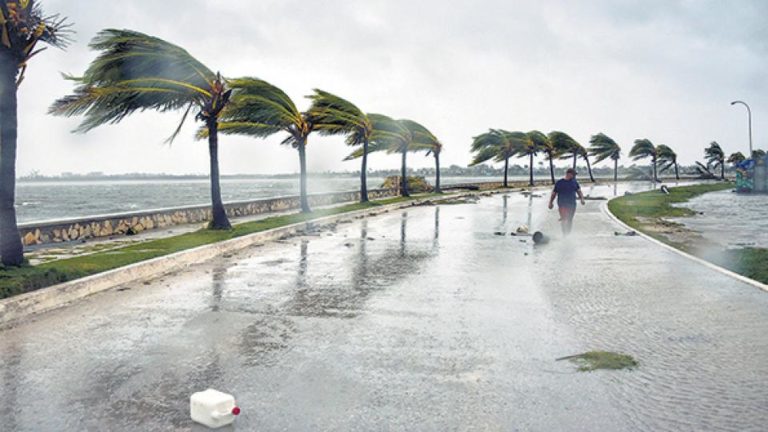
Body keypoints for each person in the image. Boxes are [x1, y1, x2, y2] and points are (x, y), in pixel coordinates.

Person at [548, 168, 585, 235]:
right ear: (568, 174)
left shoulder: (574, 182)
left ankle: (568, 234)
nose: (574, 176)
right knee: (564, 219)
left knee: (570, 220)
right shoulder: (559, 183)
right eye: (573, 174)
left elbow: (579, 191)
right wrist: (550, 202)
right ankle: (564, 234)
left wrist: (582, 199)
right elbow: (554, 193)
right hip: (562, 204)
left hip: (572, 204)